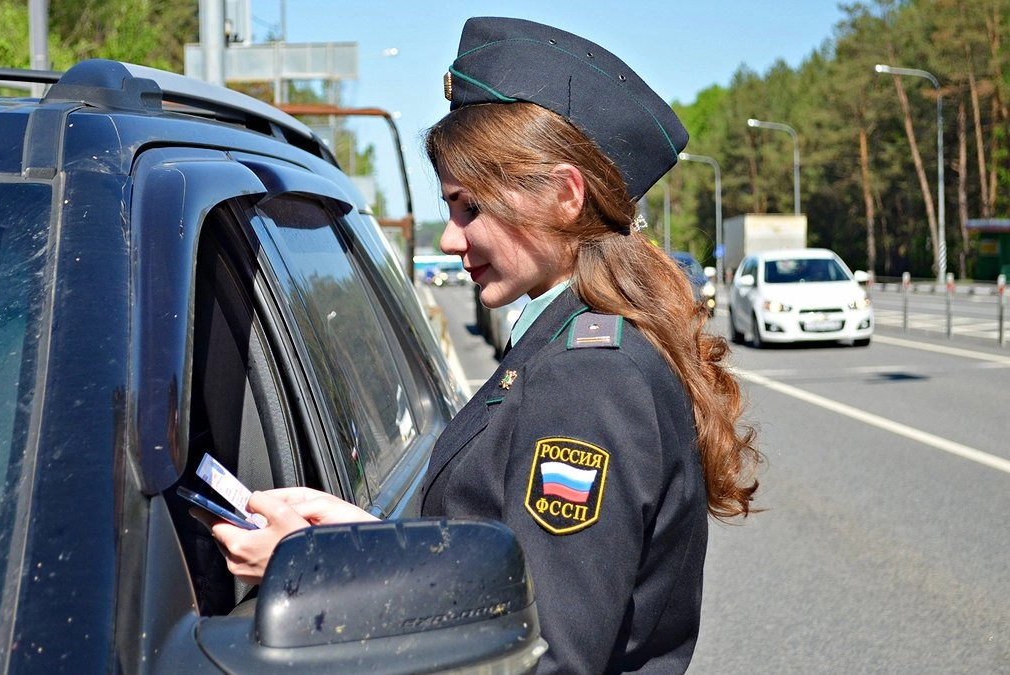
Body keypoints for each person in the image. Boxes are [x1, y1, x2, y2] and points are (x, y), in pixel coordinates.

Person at [202, 16, 762, 673]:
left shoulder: (587, 382)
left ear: (563, 194)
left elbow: (544, 653)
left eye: (469, 207)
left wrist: (327, 575)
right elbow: (506, 568)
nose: (448, 238)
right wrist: (363, 539)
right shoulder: (577, 347)